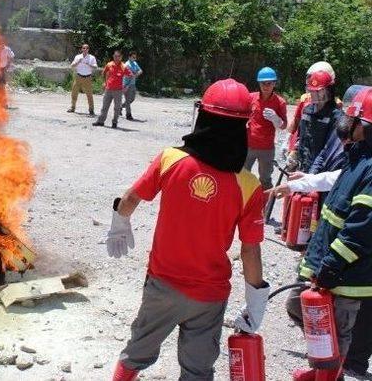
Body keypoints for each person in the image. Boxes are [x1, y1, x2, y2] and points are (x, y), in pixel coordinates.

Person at [107, 78, 269, 381]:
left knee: (135, 354)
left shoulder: (172, 159)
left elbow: (130, 198)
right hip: (209, 297)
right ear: (242, 129)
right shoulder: (248, 185)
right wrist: (256, 301)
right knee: (197, 371)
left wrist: (119, 223)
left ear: (202, 116)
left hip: (162, 285)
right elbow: (250, 250)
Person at [271, 87, 372, 380]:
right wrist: (297, 185)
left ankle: (328, 375)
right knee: (301, 307)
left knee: (336, 332)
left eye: (353, 119)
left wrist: (331, 265)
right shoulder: (358, 157)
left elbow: (360, 230)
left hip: (346, 274)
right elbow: (336, 180)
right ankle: (327, 371)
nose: (346, 124)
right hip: (327, 262)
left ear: (364, 127)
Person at [244, 67, 287, 190]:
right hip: (248, 146)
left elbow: (283, 125)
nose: (266, 86)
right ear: (259, 83)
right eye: (263, 83)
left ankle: (264, 206)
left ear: (274, 83)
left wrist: (276, 119)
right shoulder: (250, 97)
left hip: (266, 149)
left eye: (269, 83)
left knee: (265, 179)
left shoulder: (280, 102)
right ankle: (243, 203)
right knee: (242, 176)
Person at [296, 70, 345, 174]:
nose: (314, 94)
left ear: (328, 90)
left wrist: (311, 176)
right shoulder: (307, 111)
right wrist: (293, 153)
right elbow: (301, 138)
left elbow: (328, 150)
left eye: (318, 91)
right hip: (302, 168)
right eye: (311, 91)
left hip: (320, 173)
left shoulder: (336, 116)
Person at [93, 50, 133, 129]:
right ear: (113, 56)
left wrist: (126, 86)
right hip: (108, 89)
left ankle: (114, 122)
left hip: (118, 90)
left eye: (118, 56)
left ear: (121, 57)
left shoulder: (123, 66)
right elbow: (104, 73)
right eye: (115, 56)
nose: (116, 58)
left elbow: (131, 75)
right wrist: (104, 82)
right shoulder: (109, 64)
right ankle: (101, 121)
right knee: (105, 106)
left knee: (117, 108)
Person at [68, 44, 98, 115]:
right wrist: (78, 62)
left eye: (86, 48)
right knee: (74, 92)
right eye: (84, 48)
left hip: (87, 77)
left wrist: (89, 64)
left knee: (89, 94)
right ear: (81, 49)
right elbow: (72, 66)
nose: (85, 49)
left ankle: (91, 110)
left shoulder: (91, 57)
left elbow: (95, 67)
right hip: (78, 77)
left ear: (88, 50)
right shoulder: (78, 57)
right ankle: (72, 107)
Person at [121, 52, 143, 120]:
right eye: (133, 57)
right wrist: (126, 86)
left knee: (132, 99)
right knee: (128, 100)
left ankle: (120, 107)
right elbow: (130, 75)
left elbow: (140, 70)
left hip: (133, 84)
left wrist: (136, 74)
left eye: (135, 57)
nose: (135, 58)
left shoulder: (134, 63)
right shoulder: (127, 65)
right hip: (127, 84)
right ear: (129, 57)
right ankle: (128, 115)